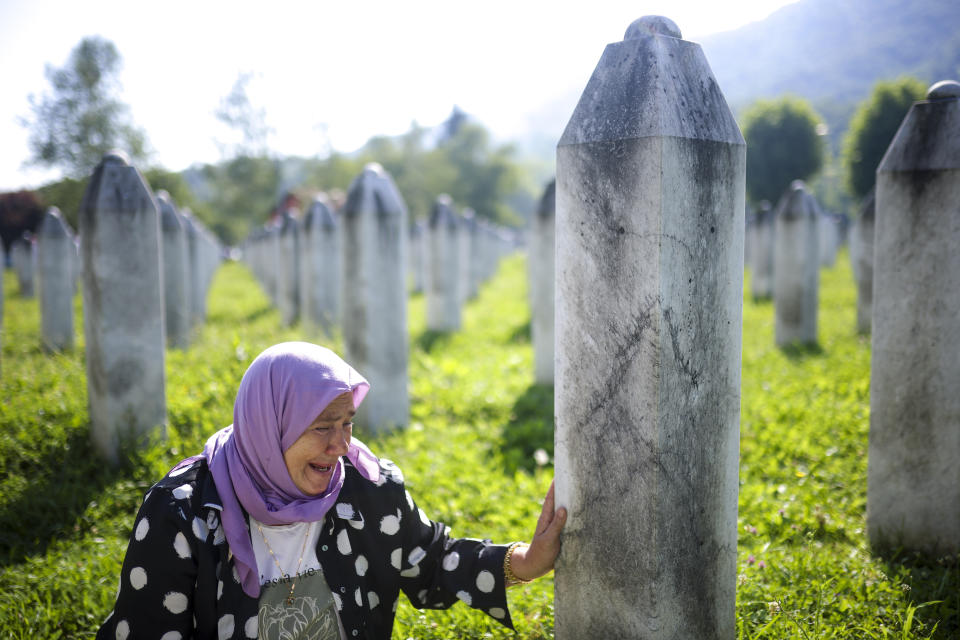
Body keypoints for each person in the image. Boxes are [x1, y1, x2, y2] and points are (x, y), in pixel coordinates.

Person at [97, 342, 566, 640]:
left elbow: (430, 561)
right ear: (271, 424)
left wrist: (524, 562)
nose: (341, 445)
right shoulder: (183, 512)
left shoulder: (364, 486)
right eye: (321, 427)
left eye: (347, 424)